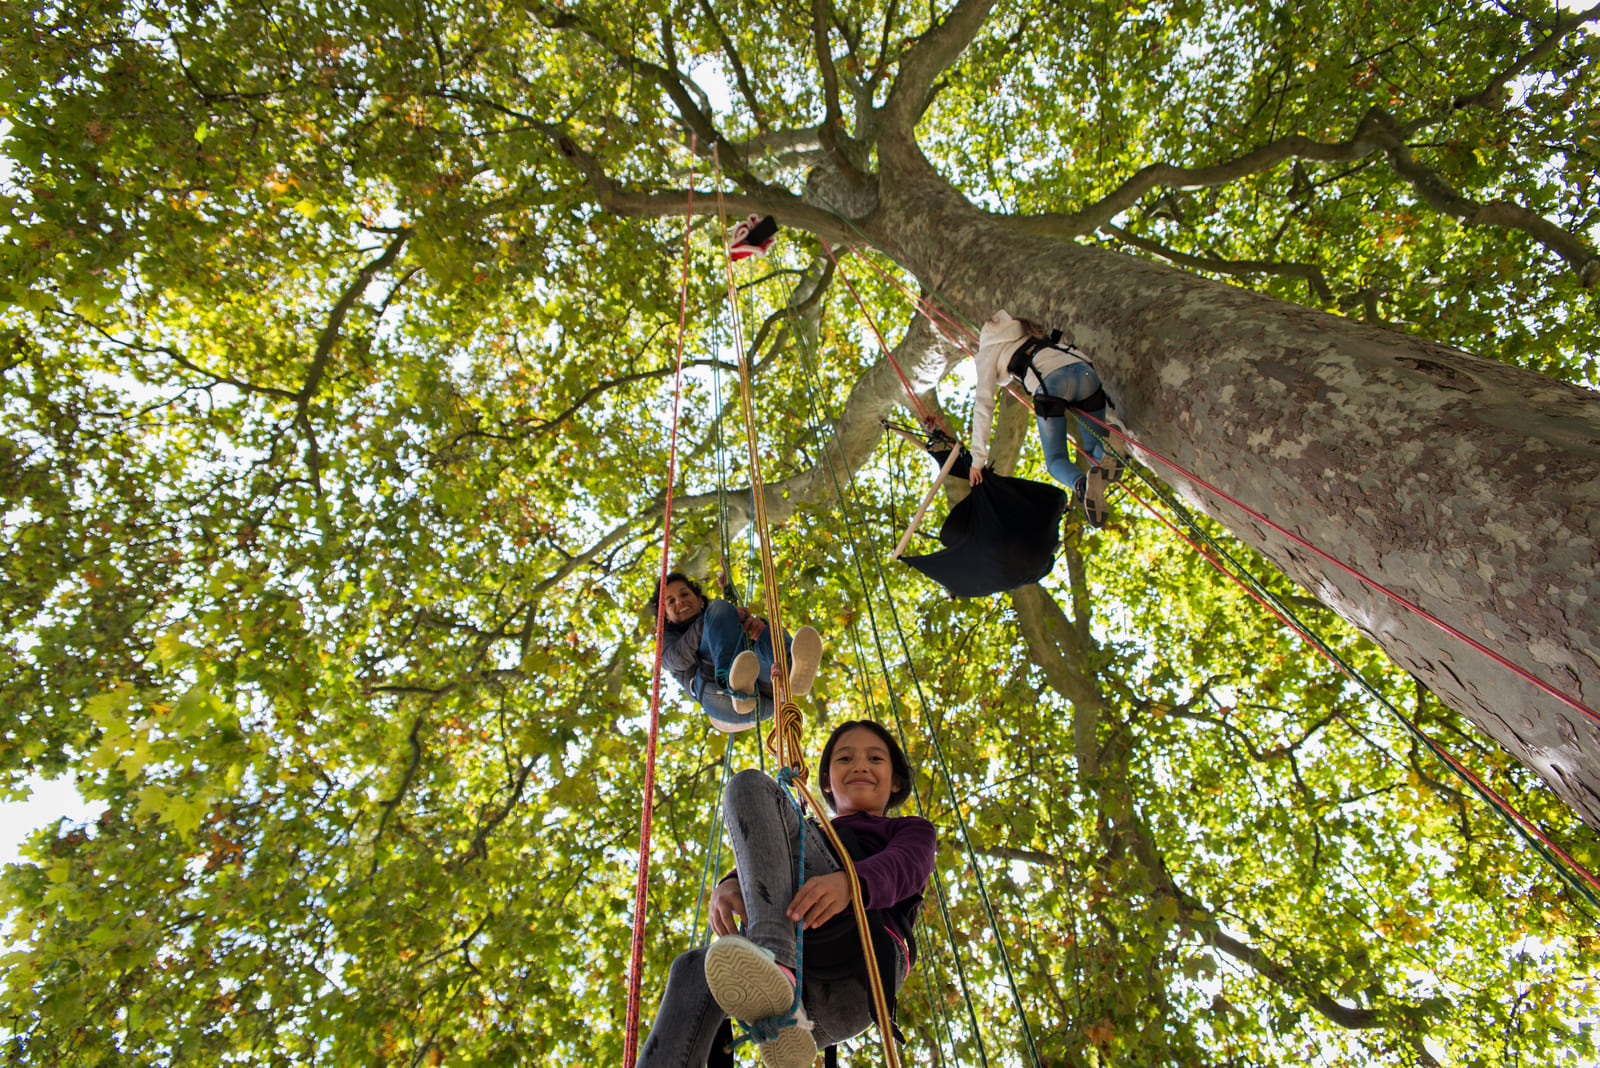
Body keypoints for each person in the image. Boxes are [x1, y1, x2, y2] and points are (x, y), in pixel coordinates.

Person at [633, 720, 937, 1068]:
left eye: (875, 759)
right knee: (691, 969)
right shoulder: (808, 832)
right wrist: (730, 883)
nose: (860, 765)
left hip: (861, 968)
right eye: (845, 759)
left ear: (896, 781)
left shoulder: (910, 829)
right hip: (808, 1017)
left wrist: (850, 884)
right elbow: (770, 855)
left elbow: (907, 865)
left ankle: (774, 960)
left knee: (750, 785)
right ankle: (774, 976)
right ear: (826, 782)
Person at [968, 309, 1126, 528]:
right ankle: (1107, 452)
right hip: (1086, 373)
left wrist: (977, 460)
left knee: (1055, 460)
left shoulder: (987, 350)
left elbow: (983, 404)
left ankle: (1082, 486)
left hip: (1053, 383)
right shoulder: (1030, 333)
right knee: (1093, 451)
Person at [649, 571, 823, 733]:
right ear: (665, 616)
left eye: (684, 594)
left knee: (765, 629)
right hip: (720, 696)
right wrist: (721, 617)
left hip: (768, 695)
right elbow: (675, 659)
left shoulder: (719, 616)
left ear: (700, 600)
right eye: (670, 601)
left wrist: (757, 627)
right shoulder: (667, 638)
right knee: (719, 609)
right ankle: (729, 682)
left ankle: (790, 668)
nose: (679, 601)